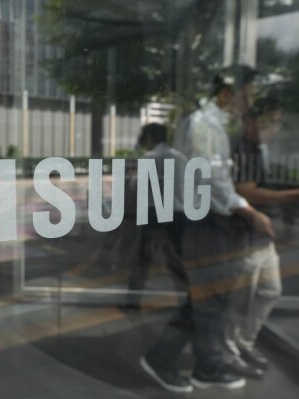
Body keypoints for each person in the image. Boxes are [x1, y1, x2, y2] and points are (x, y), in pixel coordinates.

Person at [140, 66, 274, 393]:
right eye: (246, 94)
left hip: (205, 219)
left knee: (210, 296)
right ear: (227, 93)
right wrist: (248, 209)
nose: (248, 102)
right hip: (200, 220)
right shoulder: (204, 125)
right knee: (209, 296)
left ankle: (205, 365)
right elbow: (211, 181)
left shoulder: (213, 126)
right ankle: (168, 359)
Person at [226, 98, 299, 375]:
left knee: (269, 290)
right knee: (240, 297)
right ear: (250, 121)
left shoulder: (261, 148)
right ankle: (229, 351)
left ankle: (244, 342)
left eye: (277, 122)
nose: (274, 128)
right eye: (269, 121)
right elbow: (245, 190)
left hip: (263, 233)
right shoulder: (242, 149)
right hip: (244, 232)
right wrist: (290, 195)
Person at [126, 123, 188, 306]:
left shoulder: (151, 157)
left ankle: (133, 302)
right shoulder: (181, 158)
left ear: (150, 138)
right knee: (175, 261)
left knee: (141, 259)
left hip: (154, 213)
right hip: (178, 213)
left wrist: (133, 176)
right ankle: (186, 304)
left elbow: (136, 186)